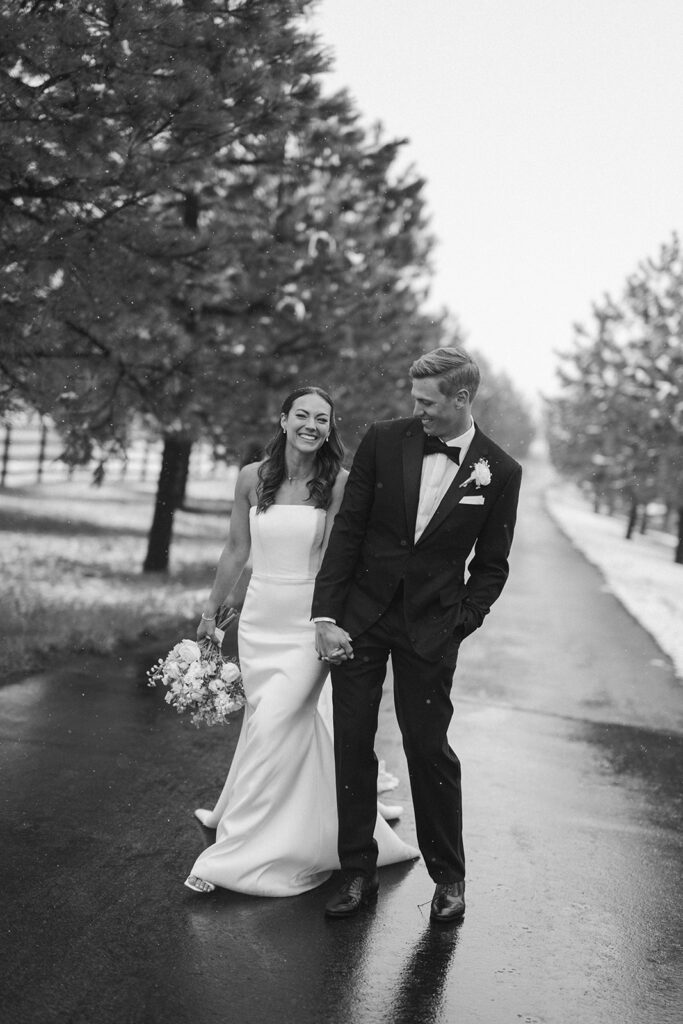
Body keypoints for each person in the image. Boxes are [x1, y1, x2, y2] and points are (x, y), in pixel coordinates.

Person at [313, 347, 523, 921]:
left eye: (428, 402)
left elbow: (492, 565)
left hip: (431, 628)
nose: (418, 410)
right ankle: (357, 871)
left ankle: (449, 879)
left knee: (428, 749)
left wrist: (461, 621)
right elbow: (349, 531)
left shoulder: (500, 471)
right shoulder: (384, 440)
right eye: (414, 399)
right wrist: (326, 616)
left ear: (462, 399)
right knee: (352, 741)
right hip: (362, 618)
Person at [184, 386, 418, 896]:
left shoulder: (338, 484)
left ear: (331, 429)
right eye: (303, 415)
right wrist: (210, 614)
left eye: (323, 419)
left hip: (307, 622)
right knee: (263, 722)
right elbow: (235, 548)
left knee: (275, 723)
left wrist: (327, 621)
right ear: (283, 419)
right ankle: (299, 822)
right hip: (259, 620)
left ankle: (235, 854)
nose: (312, 425)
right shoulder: (252, 477)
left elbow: (339, 559)